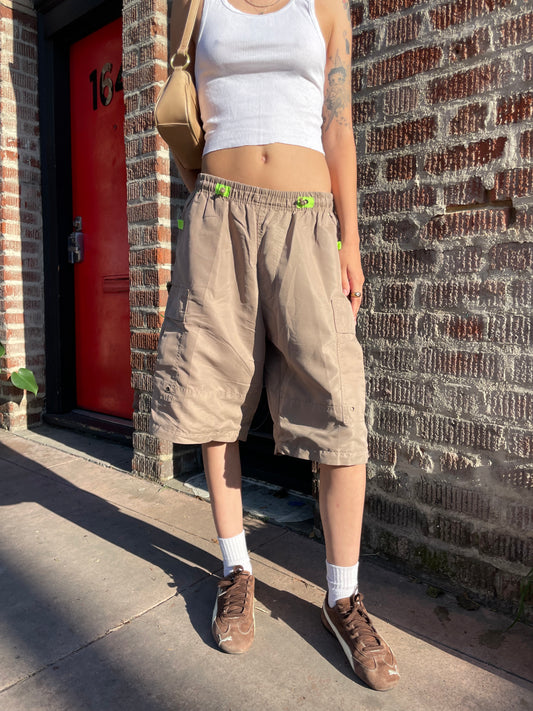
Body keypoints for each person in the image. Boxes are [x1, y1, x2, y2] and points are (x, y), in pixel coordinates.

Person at [150, 0, 400, 692]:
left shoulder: (324, 5)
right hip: (218, 215)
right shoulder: (194, 3)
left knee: (338, 403)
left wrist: (349, 238)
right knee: (213, 395)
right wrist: (203, 209)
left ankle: (342, 596)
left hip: (307, 220)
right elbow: (182, 119)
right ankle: (236, 570)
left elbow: (337, 122)